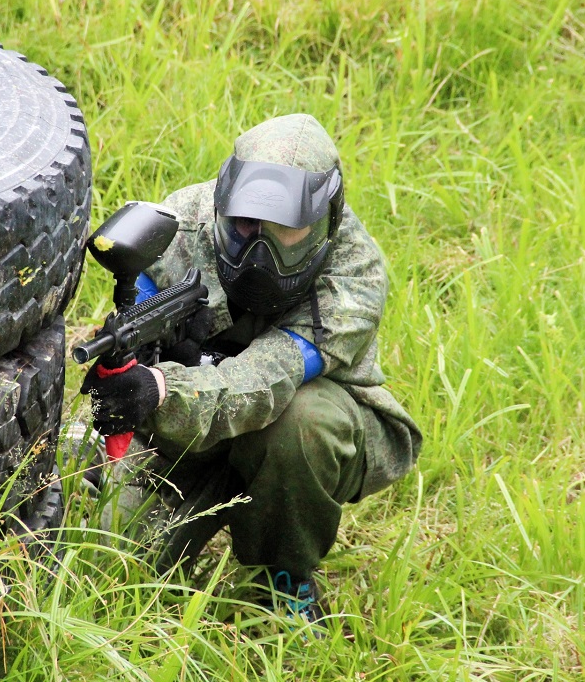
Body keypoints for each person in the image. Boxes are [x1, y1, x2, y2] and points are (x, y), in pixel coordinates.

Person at [79, 113, 422, 625]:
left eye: (285, 229)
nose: (260, 246)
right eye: (244, 225)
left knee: (299, 423)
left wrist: (160, 387)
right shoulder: (180, 227)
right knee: (106, 569)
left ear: (326, 219)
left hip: (306, 428)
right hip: (193, 437)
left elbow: (269, 378)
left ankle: (282, 580)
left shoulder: (354, 273)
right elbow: (135, 333)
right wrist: (145, 362)